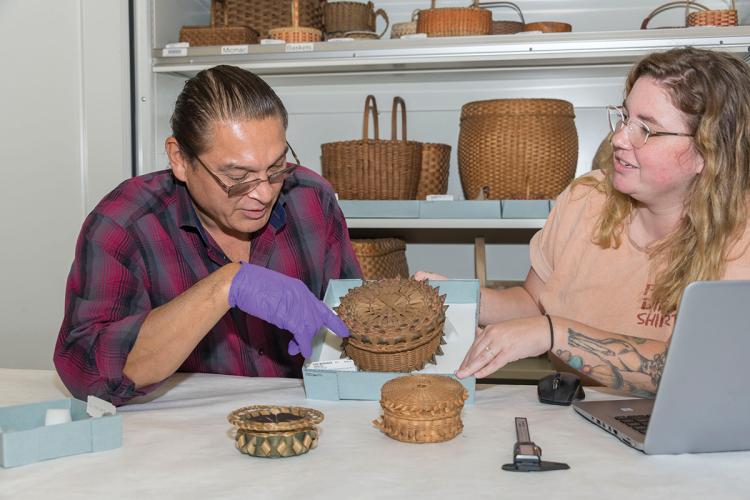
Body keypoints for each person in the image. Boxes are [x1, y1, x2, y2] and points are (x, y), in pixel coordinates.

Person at [417, 47, 750, 397]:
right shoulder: (587, 198)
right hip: (579, 413)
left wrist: (553, 334)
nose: (620, 138)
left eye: (647, 130)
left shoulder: (740, 236)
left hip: (683, 433)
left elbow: (695, 370)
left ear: (708, 152)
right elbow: (535, 302)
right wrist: (465, 298)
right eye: (624, 118)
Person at [54, 65, 361, 405]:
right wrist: (225, 286)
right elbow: (85, 373)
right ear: (180, 159)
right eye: (238, 176)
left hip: (299, 426)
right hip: (177, 441)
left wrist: (414, 309)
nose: (263, 193)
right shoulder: (125, 224)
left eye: (275, 168)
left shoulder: (310, 198)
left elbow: (351, 322)